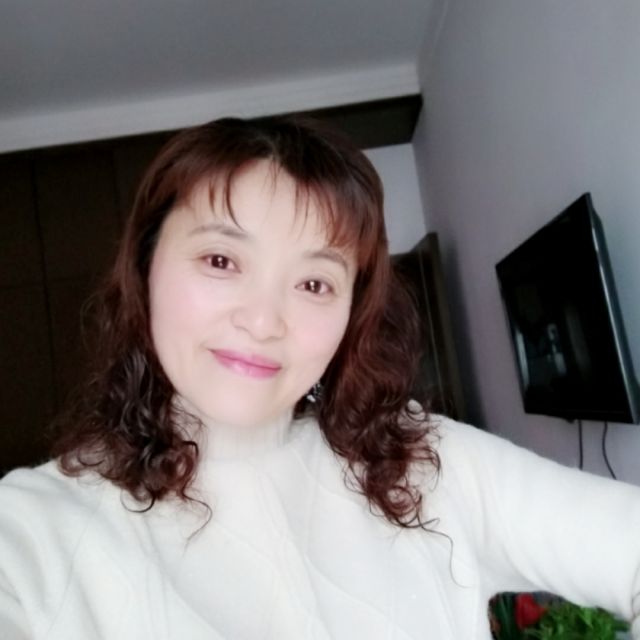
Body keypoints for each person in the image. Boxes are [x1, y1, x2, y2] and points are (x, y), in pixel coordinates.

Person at [0, 116, 638, 640]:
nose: (263, 321)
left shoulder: (426, 462)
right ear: (146, 270)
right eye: (221, 259)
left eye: (313, 283)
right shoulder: (32, 530)